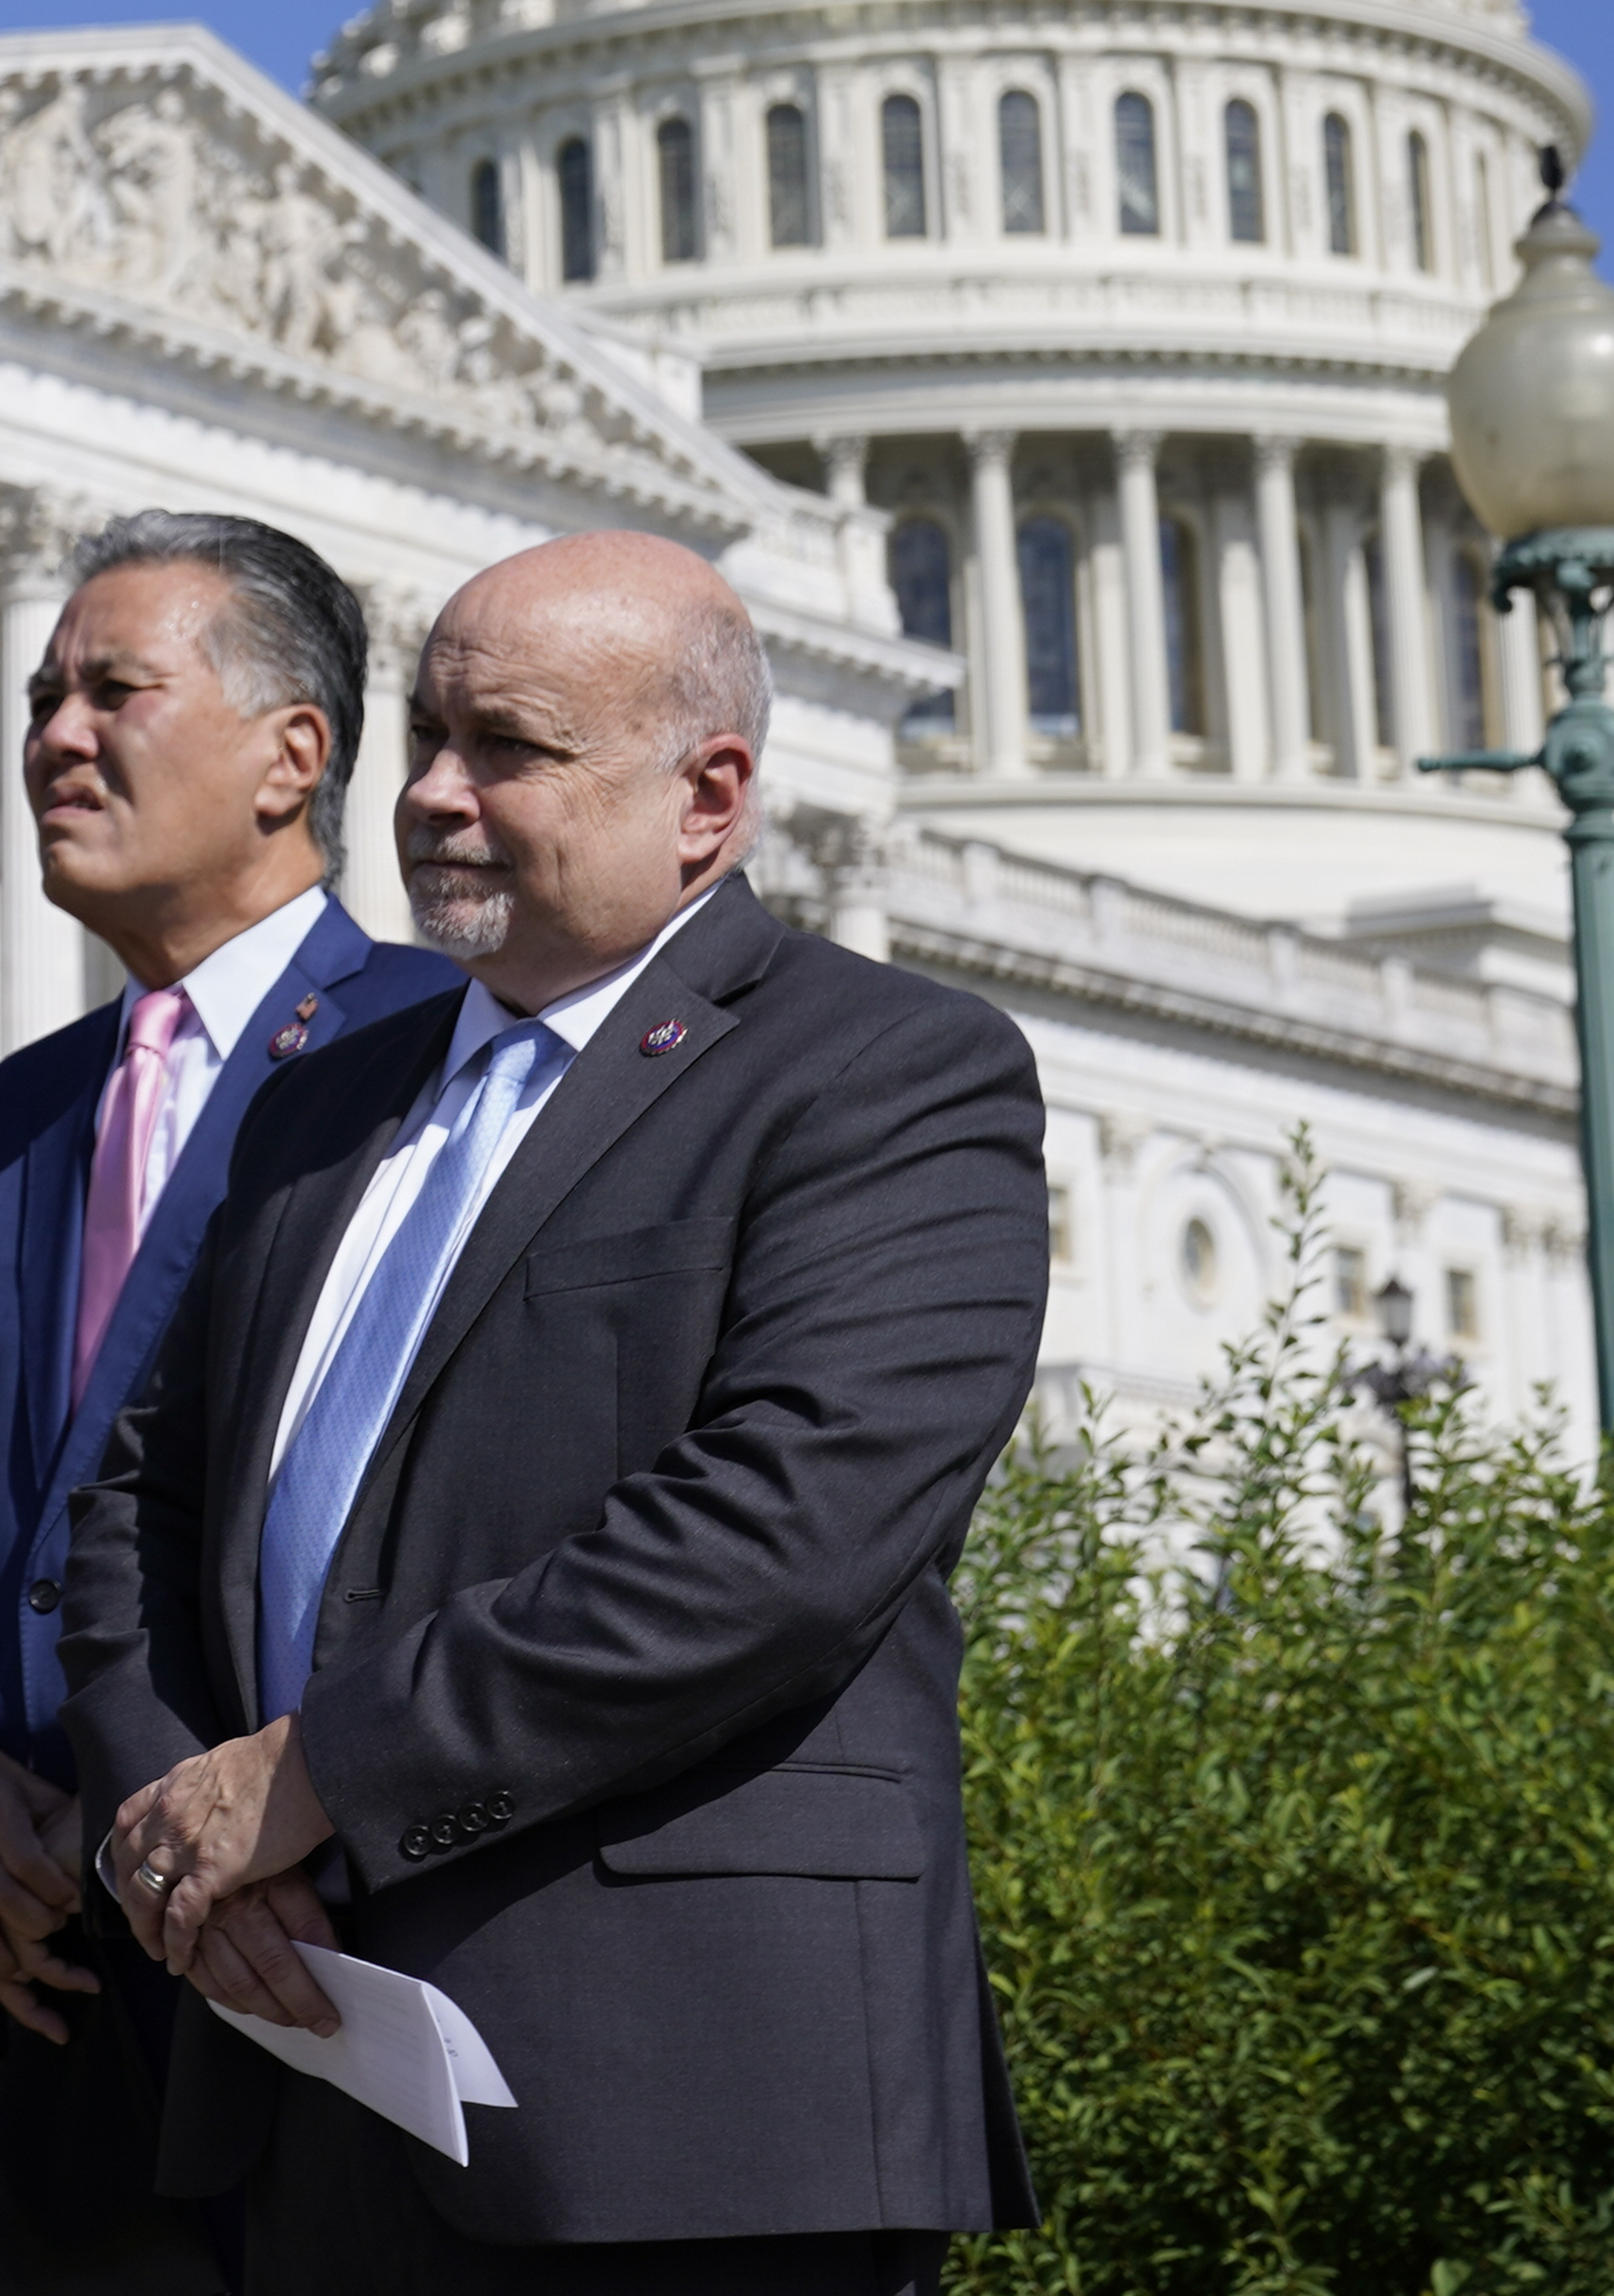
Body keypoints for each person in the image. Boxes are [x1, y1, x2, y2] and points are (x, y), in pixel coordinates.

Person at [62, 531, 1048, 2289]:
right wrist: (186, 1839)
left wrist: (321, 1774)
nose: (431, 792)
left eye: (505, 746)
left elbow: (775, 1539)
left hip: (693, 2118)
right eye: (426, 733)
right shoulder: (318, 1102)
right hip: (309, 2070)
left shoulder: (886, 1071)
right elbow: (138, 1506)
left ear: (707, 792)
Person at [0, 512, 455, 2064]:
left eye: (113, 689)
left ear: (289, 754)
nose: (53, 736)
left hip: (294, 1938)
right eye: (44, 697)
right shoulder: (6, 1116)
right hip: (6, 1944)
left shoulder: (442, 1051)